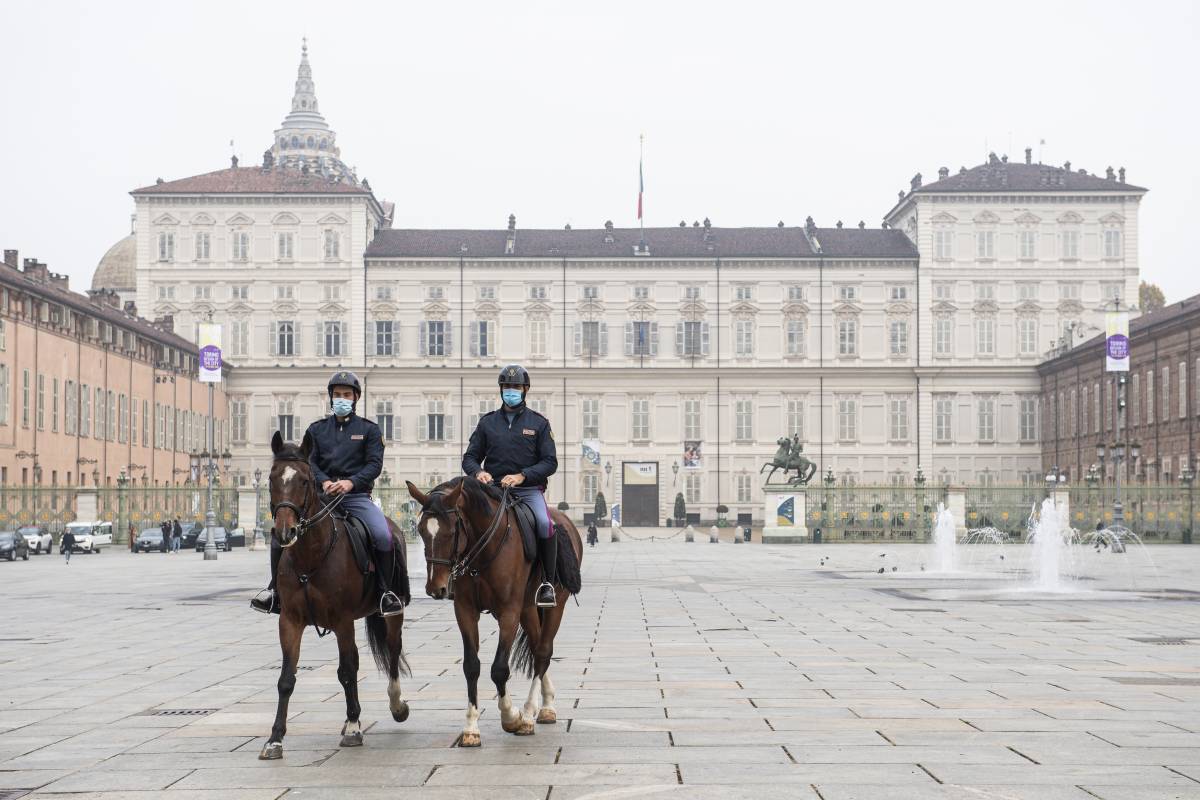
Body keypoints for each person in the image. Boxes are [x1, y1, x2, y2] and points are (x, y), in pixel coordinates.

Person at [252, 370, 407, 617]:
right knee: (279, 535)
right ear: (331, 398)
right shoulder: (317, 430)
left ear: (356, 398)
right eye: (337, 395)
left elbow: (374, 465)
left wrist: (350, 483)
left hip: (355, 498)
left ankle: (385, 593)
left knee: (383, 535)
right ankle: (276, 593)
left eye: (347, 394)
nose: (341, 398)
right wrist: (324, 482)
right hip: (321, 498)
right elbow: (308, 462)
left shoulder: (369, 430)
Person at [463, 364, 560, 608]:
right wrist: (478, 472)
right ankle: (459, 578)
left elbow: (550, 462)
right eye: (507, 387)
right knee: (462, 521)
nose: (511, 391)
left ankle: (547, 583)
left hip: (527, 491)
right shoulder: (487, 423)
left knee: (545, 523)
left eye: (516, 387)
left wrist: (522, 476)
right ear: (501, 390)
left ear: (525, 390)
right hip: (493, 489)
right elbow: (470, 457)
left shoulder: (539, 423)